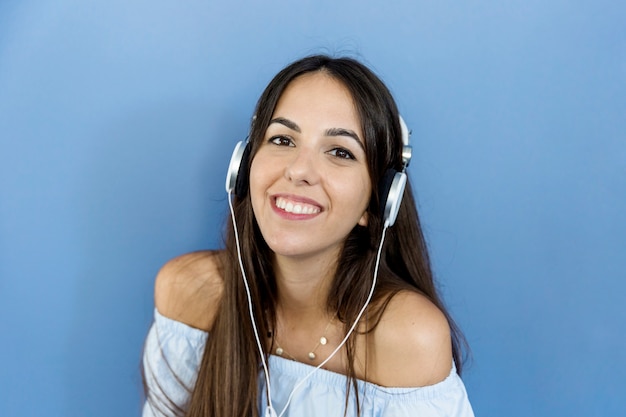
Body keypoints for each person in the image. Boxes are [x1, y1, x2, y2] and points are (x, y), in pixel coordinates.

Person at [142, 54, 474, 417]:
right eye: (283, 140)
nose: (299, 170)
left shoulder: (407, 337)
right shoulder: (189, 291)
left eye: (340, 151)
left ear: (378, 202)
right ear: (243, 168)